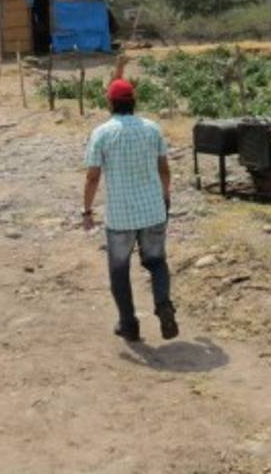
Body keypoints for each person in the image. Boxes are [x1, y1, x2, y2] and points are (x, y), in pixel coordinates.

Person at [82, 58, 177, 342]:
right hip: (153, 209)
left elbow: (93, 177)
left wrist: (87, 210)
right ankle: (163, 304)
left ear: (110, 104)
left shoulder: (101, 134)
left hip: (121, 216)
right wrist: (165, 195)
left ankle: (129, 324)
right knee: (157, 262)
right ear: (134, 102)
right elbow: (164, 169)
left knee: (119, 270)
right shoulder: (152, 128)